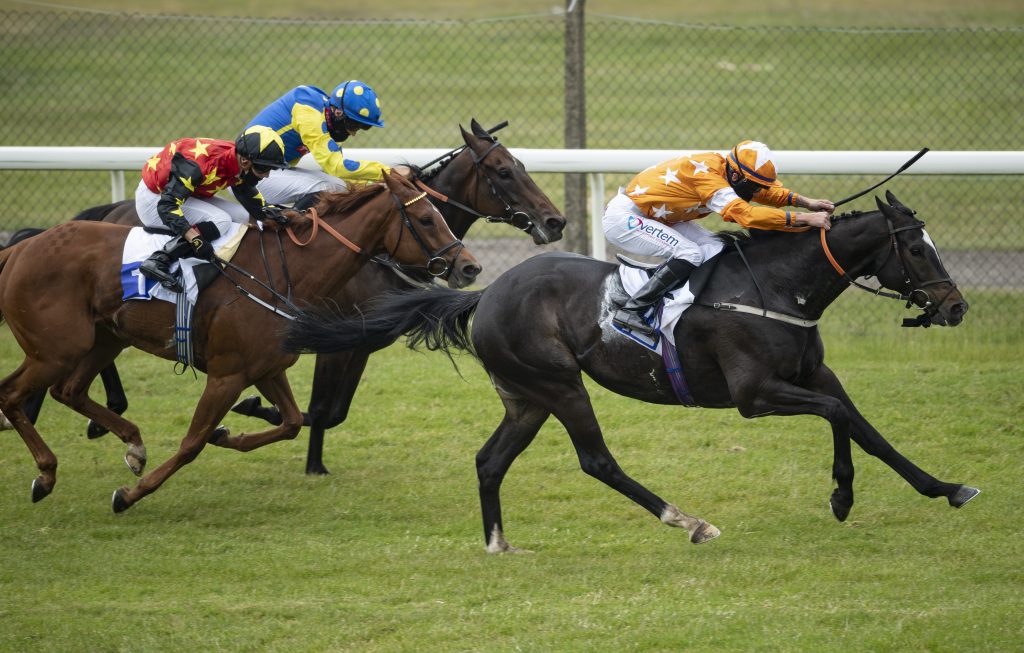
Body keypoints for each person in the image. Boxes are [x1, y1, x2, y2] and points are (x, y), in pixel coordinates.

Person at [603, 140, 835, 337]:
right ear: (735, 175)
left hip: (660, 217)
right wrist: (803, 218)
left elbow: (764, 191)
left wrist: (805, 202)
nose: (757, 192)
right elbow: (746, 216)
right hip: (625, 218)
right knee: (690, 253)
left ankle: (684, 306)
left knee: (716, 248)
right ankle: (632, 310)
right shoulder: (708, 177)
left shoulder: (729, 170)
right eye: (754, 187)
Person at [136, 125, 288, 291]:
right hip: (154, 199)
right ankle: (159, 260)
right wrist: (195, 239)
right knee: (221, 220)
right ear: (245, 162)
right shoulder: (199, 166)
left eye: (270, 168)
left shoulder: (237, 158)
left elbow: (243, 188)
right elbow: (167, 206)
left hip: (186, 193)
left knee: (242, 216)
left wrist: (267, 211)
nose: (266, 175)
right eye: (263, 168)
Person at [243, 81, 410, 205]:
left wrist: (375, 184)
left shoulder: (326, 116)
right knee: (332, 187)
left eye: (362, 128)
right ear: (338, 112)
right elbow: (337, 167)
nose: (353, 133)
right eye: (354, 125)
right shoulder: (309, 114)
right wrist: (389, 173)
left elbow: (341, 174)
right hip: (250, 175)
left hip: (271, 171)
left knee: (340, 186)